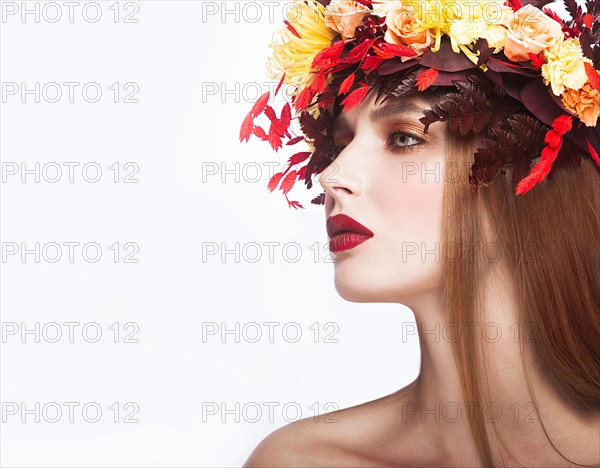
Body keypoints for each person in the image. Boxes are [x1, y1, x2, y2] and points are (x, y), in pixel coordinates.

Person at [239, 0, 600, 466]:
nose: (332, 176)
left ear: (523, 171)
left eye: (404, 138)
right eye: (340, 144)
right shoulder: (304, 460)